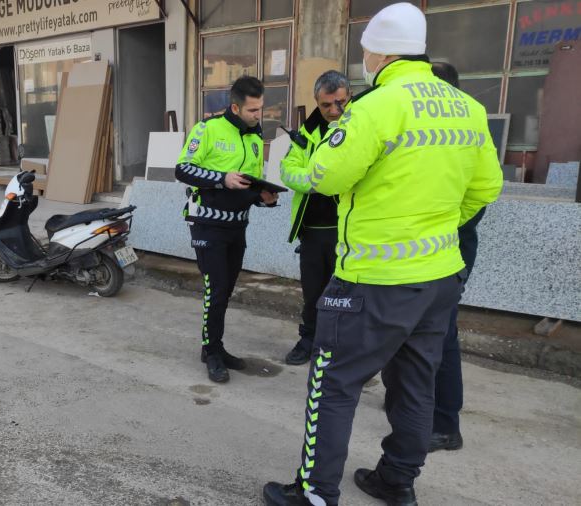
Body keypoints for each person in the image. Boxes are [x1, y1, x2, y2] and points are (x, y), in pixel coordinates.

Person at [262, 3, 503, 505]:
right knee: (416, 384)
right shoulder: (468, 107)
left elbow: (328, 175)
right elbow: (486, 188)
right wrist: (436, 227)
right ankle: (397, 482)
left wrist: (297, 174)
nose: (364, 56)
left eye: (366, 47)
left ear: (380, 50)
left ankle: (315, 493)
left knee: (334, 384)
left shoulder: (376, 106)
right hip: (438, 277)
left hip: (373, 277)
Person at [175, 76, 278, 384]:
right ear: (235, 106)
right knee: (216, 289)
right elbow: (183, 169)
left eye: (260, 109)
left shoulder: (256, 139)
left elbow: (249, 185)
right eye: (253, 110)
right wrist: (222, 178)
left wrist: (264, 199)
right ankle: (212, 351)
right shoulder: (207, 130)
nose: (258, 115)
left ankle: (213, 347)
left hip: (237, 227)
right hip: (208, 224)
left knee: (226, 290)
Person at [428, 61, 487, 453]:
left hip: (448, 255)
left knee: (442, 339)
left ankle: (446, 424)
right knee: (423, 337)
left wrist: (443, 226)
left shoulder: (465, 126)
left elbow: (481, 194)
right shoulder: (458, 127)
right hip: (439, 254)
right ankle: (419, 404)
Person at [280, 71, 351, 366]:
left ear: (350, 98)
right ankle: (308, 339)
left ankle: (341, 348)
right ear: (316, 103)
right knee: (312, 294)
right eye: (327, 105)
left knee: (346, 296)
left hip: (348, 230)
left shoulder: (361, 127)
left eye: (341, 103)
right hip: (311, 231)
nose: (334, 111)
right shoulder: (307, 132)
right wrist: (314, 180)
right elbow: (286, 169)